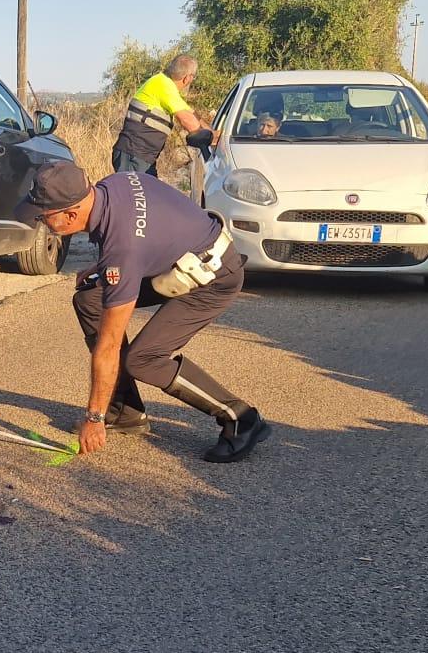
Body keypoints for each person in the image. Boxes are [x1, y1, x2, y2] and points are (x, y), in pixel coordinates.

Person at [16, 159, 269, 463]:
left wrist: (93, 419)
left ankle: (241, 418)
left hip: (214, 278)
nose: (41, 223)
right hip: (182, 261)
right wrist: (103, 268)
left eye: (43, 218)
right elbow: (150, 230)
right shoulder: (113, 185)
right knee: (89, 301)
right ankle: (125, 411)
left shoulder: (122, 250)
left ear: (70, 214)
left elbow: (109, 345)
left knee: (144, 359)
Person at [112, 54, 215, 177]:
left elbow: (191, 113)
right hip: (133, 156)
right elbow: (189, 122)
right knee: (136, 196)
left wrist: (213, 134)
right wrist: (210, 139)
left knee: (149, 194)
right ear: (187, 78)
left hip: (141, 157)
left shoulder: (163, 83)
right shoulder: (164, 87)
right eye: (193, 77)